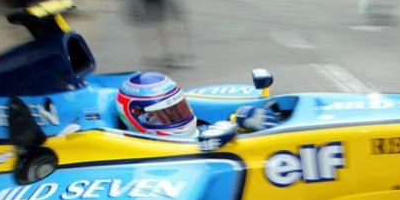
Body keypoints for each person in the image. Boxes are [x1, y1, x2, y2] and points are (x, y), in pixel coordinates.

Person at [116, 72, 280, 148]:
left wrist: (238, 120)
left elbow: (206, 132)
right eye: (163, 115)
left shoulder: (198, 131)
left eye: (178, 109)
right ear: (136, 116)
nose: (176, 117)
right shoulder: (136, 151)